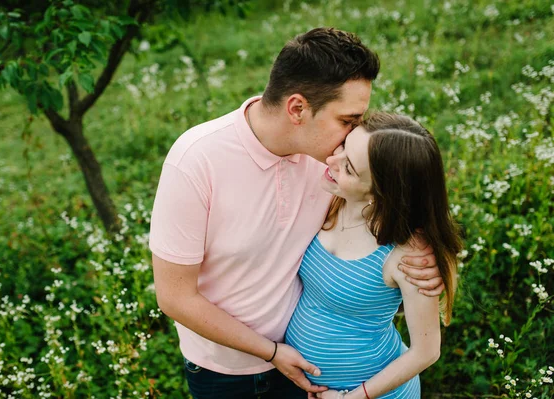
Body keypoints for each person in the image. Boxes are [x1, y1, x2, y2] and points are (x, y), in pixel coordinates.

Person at [149, 28, 445, 398]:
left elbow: (395, 188)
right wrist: (272, 353)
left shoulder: (332, 164)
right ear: (298, 109)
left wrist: (424, 250)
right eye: (347, 120)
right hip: (228, 372)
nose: (352, 136)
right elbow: (175, 297)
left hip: (309, 372)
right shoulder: (195, 161)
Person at [285, 113, 462, 399]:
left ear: (381, 193)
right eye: (343, 145)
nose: (331, 161)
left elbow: (426, 352)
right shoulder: (330, 199)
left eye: (350, 168)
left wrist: (352, 397)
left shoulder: (409, 256)